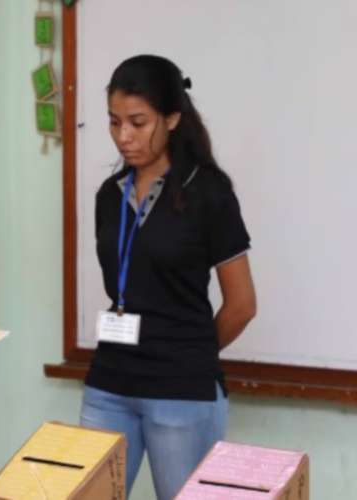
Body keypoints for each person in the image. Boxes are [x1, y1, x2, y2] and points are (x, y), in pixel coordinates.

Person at [79, 55, 257, 500]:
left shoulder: (208, 193)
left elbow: (242, 305)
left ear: (173, 118)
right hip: (110, 382)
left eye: (138, 123)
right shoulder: (109, 195)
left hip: (180, 388)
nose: (124, 136)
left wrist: (187, 352)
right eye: (114, 122)